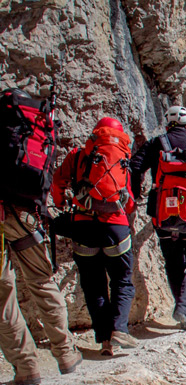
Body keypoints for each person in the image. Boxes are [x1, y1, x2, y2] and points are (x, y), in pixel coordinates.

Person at [0, 88, 82, 385]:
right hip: (27, 214)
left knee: (2, 294)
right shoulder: (35, 131)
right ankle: (66, 354)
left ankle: (26, 367)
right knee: (42, 281)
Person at [51, 117, 138, 356]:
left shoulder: (78, 155)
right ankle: (119, 329)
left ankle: (104, 341)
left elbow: (57, 183)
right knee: (122, 281)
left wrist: (62, 203)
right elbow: (128, 200)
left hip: (84, 227)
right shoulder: (122, 159)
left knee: (94, 286)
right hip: (116, 229)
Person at [130, 105, 186, 331]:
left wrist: (136, 194)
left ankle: (185, 310)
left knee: (174, 263)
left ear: (167, 125)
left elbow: (135, 166)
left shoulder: (156, 144)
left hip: (162, 215)